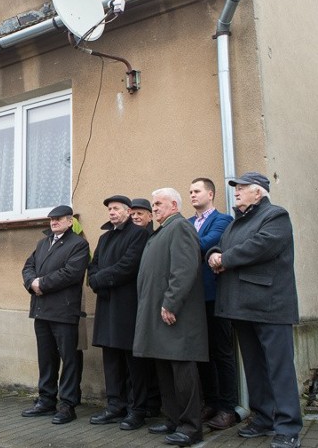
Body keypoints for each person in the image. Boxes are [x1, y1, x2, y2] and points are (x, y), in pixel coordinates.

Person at [207, 172, 303, 448]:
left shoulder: (275, 216)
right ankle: (263, 418)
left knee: (279, 368)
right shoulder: (238, 222)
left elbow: (261, 246)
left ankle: (288, 426)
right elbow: (221, 244)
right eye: (235, 188)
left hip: (270, 305)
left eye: (242, 188)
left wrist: (226, 258)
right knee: (254, 368)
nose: (236, 192)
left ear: (258, 193)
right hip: (243, 306)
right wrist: (213, 253)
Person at [134, 188, 207, 447]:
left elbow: (184, 269)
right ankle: (174, 419)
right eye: (152, 204)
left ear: (174, 205)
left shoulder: (180, 228)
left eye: (158, 203)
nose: (153, 208)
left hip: (176, 315)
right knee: (165, 369)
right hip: (159, 314)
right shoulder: (163, 230)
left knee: (182, 370)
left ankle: (191, 428)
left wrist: (171, 303)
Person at [87, 195, 153, 431]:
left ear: (128, 211)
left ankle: (137, 410)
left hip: (128, 305)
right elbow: (93, 265)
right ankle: (115, 406)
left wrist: (99, 279)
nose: (112, 212)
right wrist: (94, 279)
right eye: (109, 209)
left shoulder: (139, 234)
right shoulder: (105, 238)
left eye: (116, 208)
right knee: (111, 359)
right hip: (106, 304)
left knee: (133, 362)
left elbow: (129, 265)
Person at [20, 205, 91, 425]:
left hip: (64, 311)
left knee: (69, 359)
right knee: (46, 358)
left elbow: (71, 273)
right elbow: (28, 266)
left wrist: (42, 284)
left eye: (58, 219)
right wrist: (32, 283)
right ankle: (46, 400)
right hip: (41, 309)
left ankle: (68, 405)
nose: (54, 222)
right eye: (51, 219)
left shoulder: (78, 244)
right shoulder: (42, 243)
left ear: (70, 221)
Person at [188, 177, 237, 430]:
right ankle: (212, 402)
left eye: (197, 191)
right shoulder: (186, 223)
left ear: (211, 194)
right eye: (190, 192)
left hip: (215, 298)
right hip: (193, 300)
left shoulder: (223, 220)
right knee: (202, 354)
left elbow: (206, 244)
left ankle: (228, 409)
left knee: (222, 352)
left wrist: (182, 245)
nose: (192, 195)